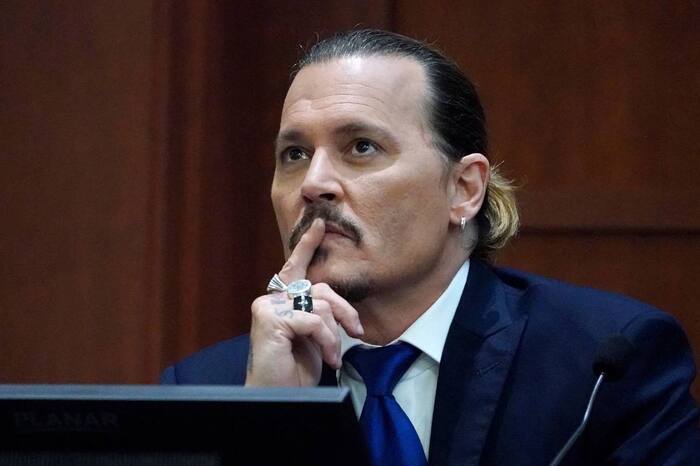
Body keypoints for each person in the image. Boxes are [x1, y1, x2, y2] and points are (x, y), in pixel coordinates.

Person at [161, 30, 700, 465]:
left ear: (463, 189)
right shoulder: (215, 389)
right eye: (295, 154)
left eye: (361, 147)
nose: (314, 183)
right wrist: (267, 426)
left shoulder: (600, 369)